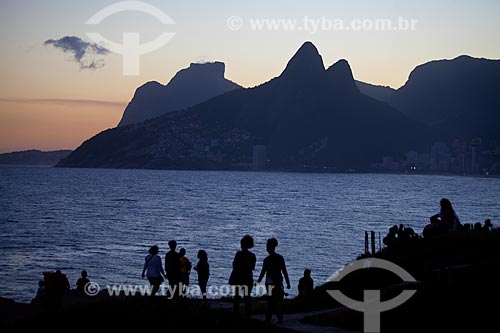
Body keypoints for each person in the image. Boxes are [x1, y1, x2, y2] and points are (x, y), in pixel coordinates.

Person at [257, 238, 291, 325]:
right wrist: (288, 282)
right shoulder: (280, 258)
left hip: (269, 282)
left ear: (268, 247)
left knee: (271, 300)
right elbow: (284, 270)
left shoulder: (267, 259)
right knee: (275, 300)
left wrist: (258, 281)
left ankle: (270, 317)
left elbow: (263, 272)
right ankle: (277, 317)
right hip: (278, 281)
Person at [230, 235, 256, 316]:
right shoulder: (252, 255)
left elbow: (235, 265)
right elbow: (252, 267)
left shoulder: (238, 254)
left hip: (239, 278)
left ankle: (235, 315)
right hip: (248, 278)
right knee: (247, 297)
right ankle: (248, 314)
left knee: (236, 297)